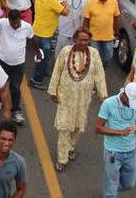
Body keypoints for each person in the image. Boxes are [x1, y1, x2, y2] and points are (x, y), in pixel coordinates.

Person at [48, 29, 108, 171]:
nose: (83, 42)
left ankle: (70, 147)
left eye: (86, 40)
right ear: (75, 40)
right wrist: (52, 91)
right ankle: (62, 159)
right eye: (80, 40)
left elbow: (99, 75)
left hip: (83, 98)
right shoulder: (65, 51)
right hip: (65, 97)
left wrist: (103, 96)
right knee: (64, 127)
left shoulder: (94, 54)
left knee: (77, 126)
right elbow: (57, 71)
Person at [95, 82, 136, 198]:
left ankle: (110, 188)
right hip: (113, 152)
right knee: (111, 192)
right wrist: (120, 132)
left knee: (129, 184)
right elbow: (98, 128)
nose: (132, 105)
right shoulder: (109, 103)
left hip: (130, 151)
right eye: (131, 102)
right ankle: (109, 192)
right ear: (124, 95)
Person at [0, 9, 36, 125]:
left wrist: (38, 52)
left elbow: (32, 40)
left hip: (19, 63)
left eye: (17, 23)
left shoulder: (27, 27)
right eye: (13, 23)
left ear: (20, 19)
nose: (15, 25)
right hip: (3, 61)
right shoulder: (3, 23)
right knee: (1, 84)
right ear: (9, 20)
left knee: (15, 87)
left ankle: (16, 111)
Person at [29, 0, 69, 88]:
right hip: (45, 35)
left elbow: (52, 8)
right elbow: (65, 12)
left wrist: (59, 5)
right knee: (42, 58)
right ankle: (36, 81)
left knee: (42, 56)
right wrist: (66, 5)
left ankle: (44, 72)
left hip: (37, 32)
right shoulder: (52, 0)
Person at [83, 0, 121, 66]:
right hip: (94, 37)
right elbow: (86, 21)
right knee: (94, 58)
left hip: (108, 37)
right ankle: (95, 74)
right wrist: (86, 36)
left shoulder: (114, 2)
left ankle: (101, 71)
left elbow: (116, 19)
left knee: (108, 57)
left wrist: (117, 34)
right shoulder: (90, 3)